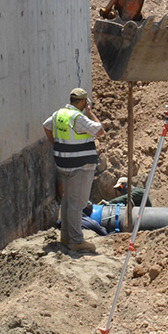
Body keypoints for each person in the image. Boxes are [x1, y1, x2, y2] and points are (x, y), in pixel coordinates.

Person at [44, 87, 104, 254]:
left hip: (64, 163)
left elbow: (46, 126)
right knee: (77, 204)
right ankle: (76, 241)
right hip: (81, 166)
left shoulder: (60, 114)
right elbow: (100, 130)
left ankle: (65, 237)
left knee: (67, 201)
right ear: (84, 102)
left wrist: (55, 145)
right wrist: (90, 112)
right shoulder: (78, 118)